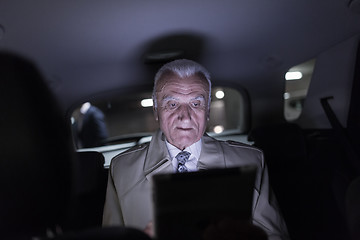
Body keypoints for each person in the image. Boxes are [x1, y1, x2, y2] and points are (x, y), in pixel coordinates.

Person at [102, 59, 289, 240]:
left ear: (207, 111)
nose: (185, 117)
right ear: (156, 111)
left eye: (196, 104)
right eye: (172, 104)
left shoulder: (251, 160)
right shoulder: (121, 169)